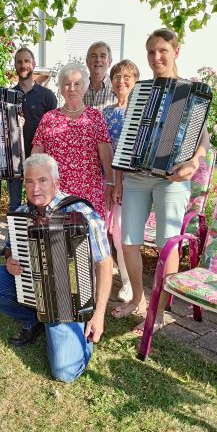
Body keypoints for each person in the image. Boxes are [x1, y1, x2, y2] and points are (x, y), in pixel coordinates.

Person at [0, 153, 112, 383]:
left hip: (70, 299)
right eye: (29, 181)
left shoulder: (80, 212)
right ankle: (35, 319)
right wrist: (9, 261)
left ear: (56, 182)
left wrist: (98, 315)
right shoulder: (22, 212)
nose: (35, 187)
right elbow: (10, 248)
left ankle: (82, 340)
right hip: (33, 287)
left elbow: (105, 263)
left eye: (42, 180)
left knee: (64, 374)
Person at [112, 28, 210, 333]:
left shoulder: (190, 92)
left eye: (162, 50)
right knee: (128, 241)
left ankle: (156, 312)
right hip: (137, 177)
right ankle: (137, 300)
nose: (156, 57)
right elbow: (131, 132)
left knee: (167, 244)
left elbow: (203, 136)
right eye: (151, 52)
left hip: (171, 180)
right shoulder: (141, 91)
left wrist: (195, 160)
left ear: (175, 52)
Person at [32, 62, 114, 221]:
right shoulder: (49, 118)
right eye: (67, 84)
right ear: (61, 88)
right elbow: (36, 154)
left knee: (88, 241)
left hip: (89, 194)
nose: (72, 88)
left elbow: (106, 155)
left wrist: (110, 184)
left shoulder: (95, 117)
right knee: (56, 241)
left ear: (85, 87)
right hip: (55, 193)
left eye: (77, 84)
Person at [102, 59, 140, 303]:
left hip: (128, 181)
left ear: (135, 81)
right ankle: (105, 272)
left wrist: (120, 182)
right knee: (103, 229)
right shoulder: (106, 112)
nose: (121, 81)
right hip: (105, 178)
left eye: (127, 77)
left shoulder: (139, 112)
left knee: (119, 233)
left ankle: (128, 283)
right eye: (117, 77)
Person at [7, 47, 58, 212]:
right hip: (13, 158)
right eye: (19, 62)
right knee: (14, 204)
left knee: (38, 202)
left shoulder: (47, 96)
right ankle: (14, 236)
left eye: (26, 61)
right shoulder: (8, 95)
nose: (23, 65)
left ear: (34, 64)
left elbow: (52, 130)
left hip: (39, 159)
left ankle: (37, 235)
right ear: (15, 65)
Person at [83, 41, 116, 111]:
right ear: (87, 62)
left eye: (102, 56)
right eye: (93, 56)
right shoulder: (79, 88)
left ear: (110, 62)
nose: (98, 60)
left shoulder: (117, 87)